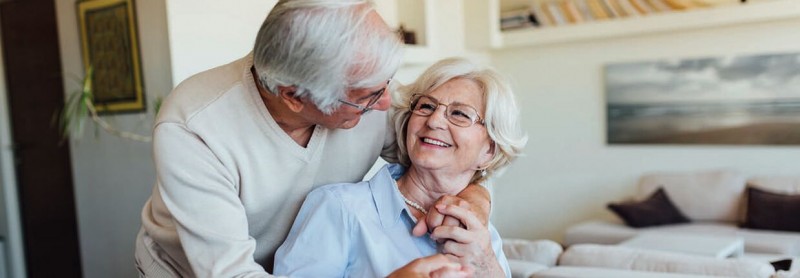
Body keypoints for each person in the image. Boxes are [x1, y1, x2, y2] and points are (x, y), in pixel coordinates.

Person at [134, 1, 490, 277]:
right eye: (367, 95)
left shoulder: (370, 91)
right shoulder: (195, 131)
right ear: (294, 96)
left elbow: (448, 159)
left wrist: (475, 199)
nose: (387, 103)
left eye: (388, 82)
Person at [273, 57, 528, 278]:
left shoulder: (480, 233)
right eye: (426, 106)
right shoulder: (339, 208)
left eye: (460, 114)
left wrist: (486, 265)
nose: (434, 120)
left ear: (489, 151)